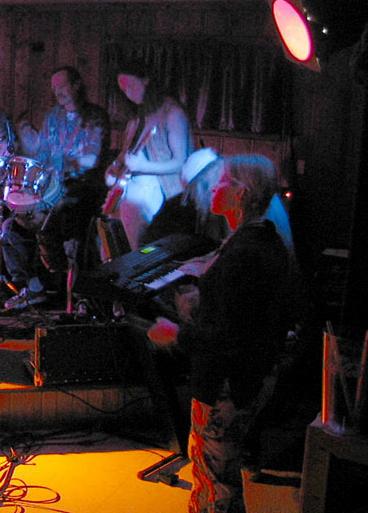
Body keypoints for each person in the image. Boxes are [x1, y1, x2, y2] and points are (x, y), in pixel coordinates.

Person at [147, 154, 290, 513]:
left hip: (227, 384)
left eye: (222, 180)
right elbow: (246, 313)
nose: (213, 187)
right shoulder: (263, 240)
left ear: (240, 194)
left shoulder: (244, 253)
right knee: (216, 475)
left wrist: (175, 334)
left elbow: (227, 338)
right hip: (252, 376)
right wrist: (202, 300)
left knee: (216, 484)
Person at [2, 65, 110, 309]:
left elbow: (92, 160)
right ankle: (34, 286)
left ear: (76, 85)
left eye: (61, 85)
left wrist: (62, 163)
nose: (57, 91)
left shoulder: (95, 117)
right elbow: (42, 154)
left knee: (58, 221)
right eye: (53, 87)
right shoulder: (52, 116)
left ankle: (77, 293)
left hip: (82, 190)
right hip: (53, 189)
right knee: (9, 228)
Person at [105, 60, 193, 249]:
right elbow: (126, 153)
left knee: (133, 212)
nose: (128, 93)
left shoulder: (173, 113)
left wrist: (144, 167)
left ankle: (136, 257)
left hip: (168, 195)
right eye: (123, 90)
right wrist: (115, 166)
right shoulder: (137, 118)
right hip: (133, 190)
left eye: (131, 85)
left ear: (146, 80)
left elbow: (181, 162)